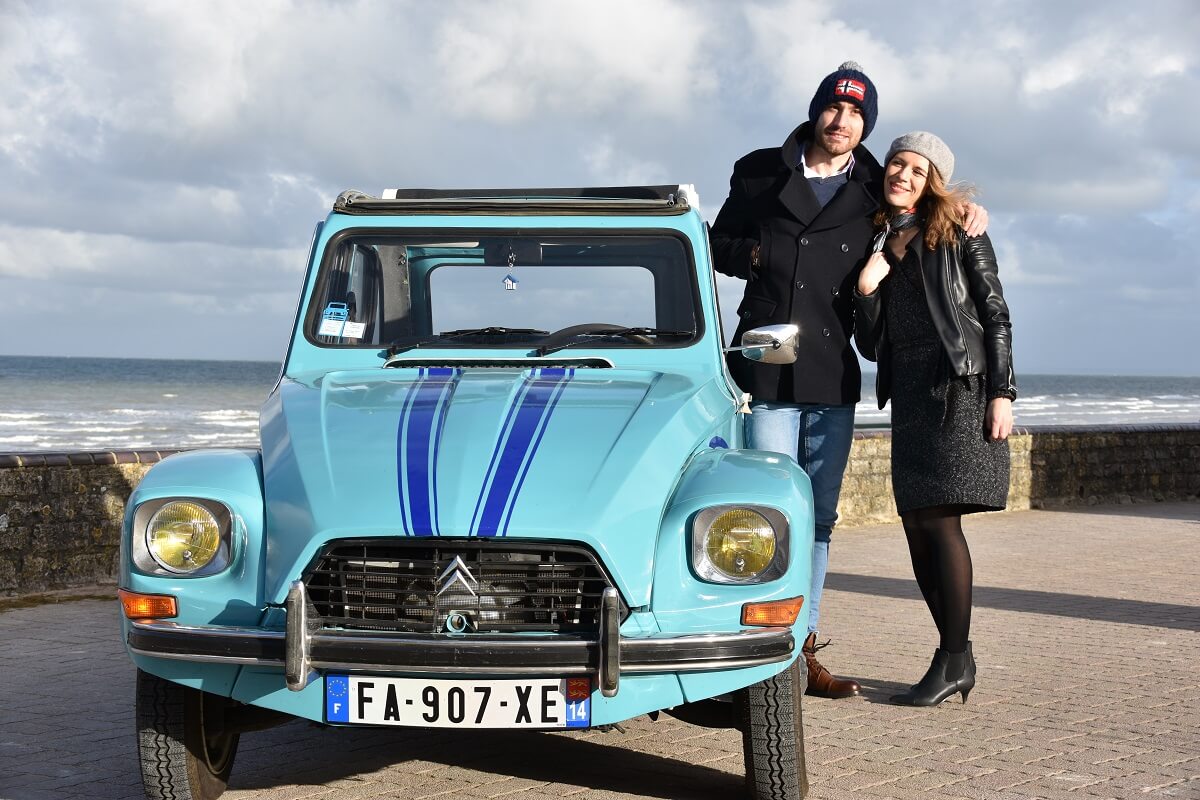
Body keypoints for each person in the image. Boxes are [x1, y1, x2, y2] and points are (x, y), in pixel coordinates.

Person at [710, 61, 988, 699]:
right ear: (816, 110)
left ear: (868, 125)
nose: (843, 123)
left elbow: (927, 202)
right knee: (769, 515)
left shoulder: (873, 181)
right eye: (835, 109)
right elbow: (717, 242)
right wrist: (757, 254)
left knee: (820, 519)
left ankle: (799, 649)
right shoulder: (758, 170)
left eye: (858, 115)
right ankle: (759, 651)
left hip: (835, 370)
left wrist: (970, 208)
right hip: (766, 369)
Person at [853, 131, 1016, 706]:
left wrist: (1003, 392)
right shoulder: (879, 239)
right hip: (912, 395)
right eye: (897, 164)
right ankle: (956, 656)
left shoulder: (960, 231)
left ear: (933, 184)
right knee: (916, 525)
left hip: (960, 386)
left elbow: (995, 313)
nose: (902, 174)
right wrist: (867, 291)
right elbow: (873, 346)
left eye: (917, 171)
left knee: (942, 522)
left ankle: (952, 657)